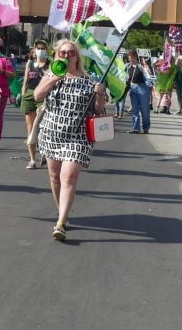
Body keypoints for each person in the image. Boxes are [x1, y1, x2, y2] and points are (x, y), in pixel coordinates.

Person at [34, 38, 106, 241]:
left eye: (71, 53)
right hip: (52, 133)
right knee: (55, 178)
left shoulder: (89, 80)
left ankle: (60, 223)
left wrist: (100, 95)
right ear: (57, 55)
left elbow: (99, 109)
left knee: (69, 177)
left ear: (77, 57)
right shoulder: (50, 75)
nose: (67, 56)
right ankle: (62, 214)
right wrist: (55, 77)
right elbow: (38, 96)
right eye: (63, 53)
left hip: (78, 136)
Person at [20, 47, 50, 169]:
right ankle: (32, 160)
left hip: (43, 96)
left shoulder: (49, 64)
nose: (40, 51)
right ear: (34, 51)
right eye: (38, 48)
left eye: (43, 48)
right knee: (31, 129)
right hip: (29, 95)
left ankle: (44, 152)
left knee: (42, 127)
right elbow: (26, 80)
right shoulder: (30, 63)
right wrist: (22, 94)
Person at [124, 49, 152, 133]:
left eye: (132, 58)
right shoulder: (127, 66)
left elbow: (149, 76)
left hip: (142, 88)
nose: (130, 60)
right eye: (129, 58)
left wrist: (146, 70)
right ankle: (135, 128)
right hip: (133, 88)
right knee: (135, 110)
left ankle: (146, 128)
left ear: (136, 57)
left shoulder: (141, 67)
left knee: (145, 110)